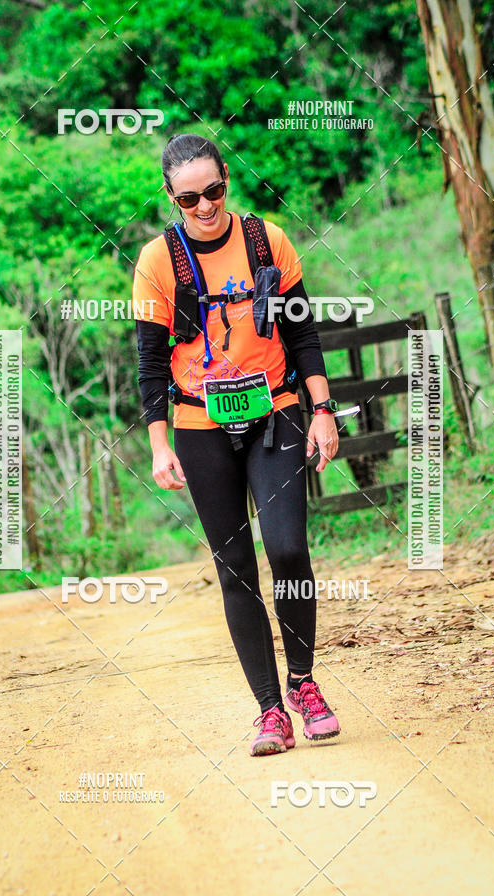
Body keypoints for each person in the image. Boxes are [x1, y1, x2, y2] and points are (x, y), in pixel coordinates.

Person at [133, 133, 341, 756]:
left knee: (288, 548)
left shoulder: (267, 240)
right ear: (171, 197)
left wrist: (323, 408)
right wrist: (158, 445)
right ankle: (270, 711)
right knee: (235, 570)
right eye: (189, 198)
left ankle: (303, 684)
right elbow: (147, 364)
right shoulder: (156, 262)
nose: (204, 207)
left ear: (227, 178)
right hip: (199, 429)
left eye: (214, 191)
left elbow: (303, 337)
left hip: (276, 411)